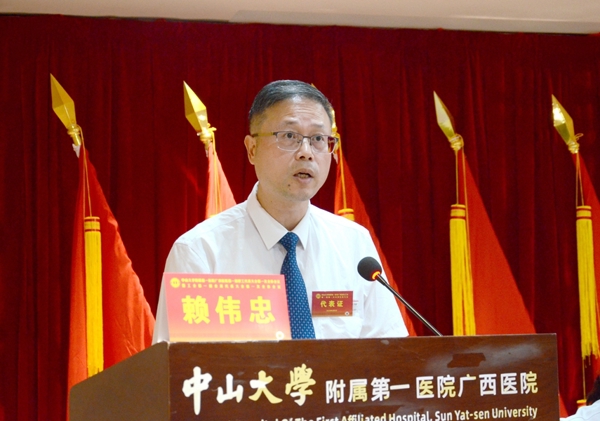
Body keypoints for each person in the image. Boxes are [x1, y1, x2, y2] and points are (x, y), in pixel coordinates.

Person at [152, 80, 408, 343]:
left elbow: (390, 353)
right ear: (252, 149)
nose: (306, 153)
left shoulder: (354, 244)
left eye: (318, 139)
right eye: (289, 136)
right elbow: (178, 364)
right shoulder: (201, 252)